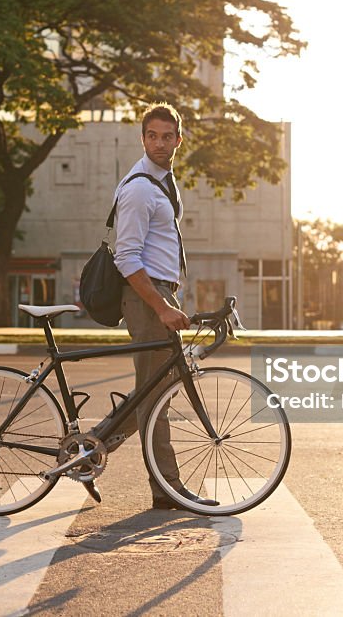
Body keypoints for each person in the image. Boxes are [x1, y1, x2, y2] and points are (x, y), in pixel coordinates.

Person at [86, 102, 218, 510]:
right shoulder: (141, 187)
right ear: (143, 138)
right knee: (156, 397)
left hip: (159, 294)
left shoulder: (162, 180)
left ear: (179, 139)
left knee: (153, 390)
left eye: (167, 136)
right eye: (152, 136)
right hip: (146, 299)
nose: (160, 143)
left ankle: (90, 449)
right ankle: (168, 489)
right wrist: (161, 306)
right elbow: (127, 258)